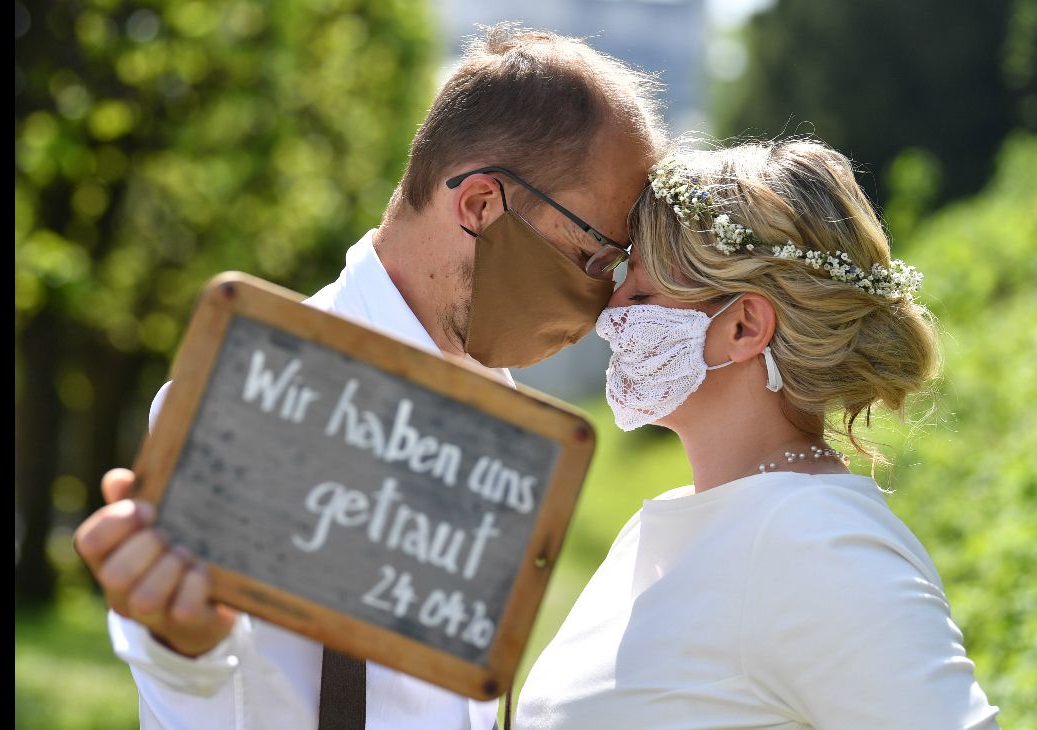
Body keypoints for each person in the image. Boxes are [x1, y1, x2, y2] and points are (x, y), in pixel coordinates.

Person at [72, 24, 666, 730]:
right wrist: (179, 642)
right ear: (481, 206)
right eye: (595, 256)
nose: (604, 302)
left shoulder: (512, 438)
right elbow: (202, 683)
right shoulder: (253, 399)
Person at [513, 140, 1001, 729]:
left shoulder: (819, 544)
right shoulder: (670, 521)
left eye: (640, 294)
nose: (609, 317)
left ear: (743, 326)